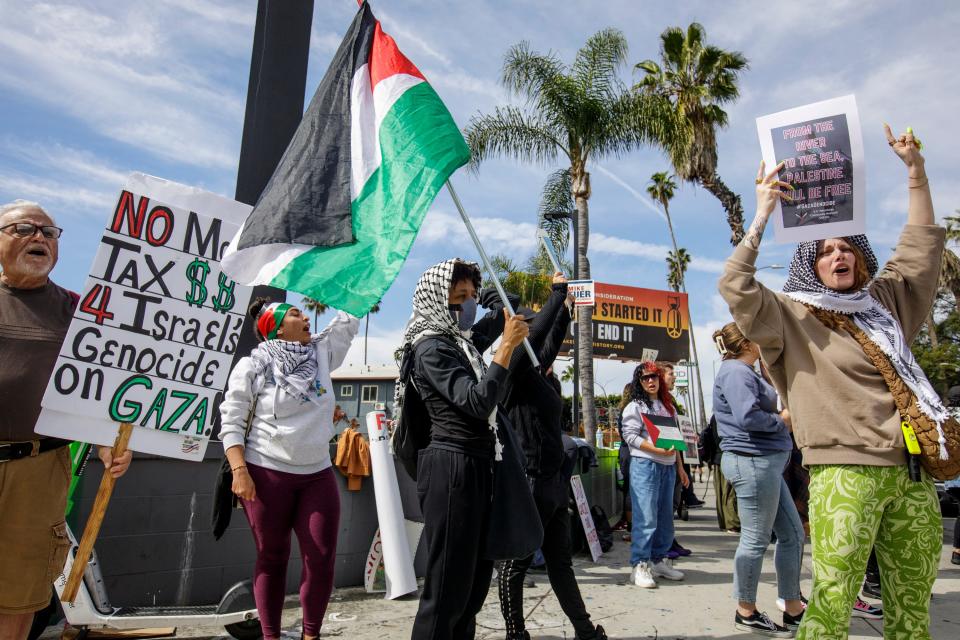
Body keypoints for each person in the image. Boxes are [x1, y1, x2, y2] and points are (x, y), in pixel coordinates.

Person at [719, 125, 945, 639]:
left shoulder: (884, 305)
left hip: (914, 475)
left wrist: (916, 174)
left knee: (912, 611)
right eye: (824, 250)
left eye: (846, 248)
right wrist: (762, 213)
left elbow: (920, 250)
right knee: (832, 607)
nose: (837, 256)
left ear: (860, 256)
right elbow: (735, 284)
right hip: (845, 475)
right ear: (809, 263)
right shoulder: (791, 316)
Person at [0, 200, 132, 640]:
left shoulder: (77, 312)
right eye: (24, 228)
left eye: (49, 232)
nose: (39, 237)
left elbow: (94, 392)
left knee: (19, 597)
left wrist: (105, 443)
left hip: (39, 471)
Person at [219, 297, 360, 640]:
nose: (306, 317)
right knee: (272, 556)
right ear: (277, 327)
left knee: (321, 558)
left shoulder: (321, 354)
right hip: (266, 473)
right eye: (296, 314)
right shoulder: (254, 364)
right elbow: (232, 418)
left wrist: (355, 279)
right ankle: (271, 636)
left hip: (317, 473)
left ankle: (311, 634)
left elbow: (349, 319)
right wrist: (240, 470)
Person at [402, 259, 528, 640]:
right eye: (461, 297)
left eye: (472, 297)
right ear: (439, 301)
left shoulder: (463, 342)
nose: (470, 305)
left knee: (473, 590)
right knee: (446, 594)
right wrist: (505, 348)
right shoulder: (431, 348)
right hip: (451, 468)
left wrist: (481, 289)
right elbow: (476, 402)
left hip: (479, 465)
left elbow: (511, 303)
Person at [496, 273, 607, 640]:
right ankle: (516, 634)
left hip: (552, 483)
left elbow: (550, 338)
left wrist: (567, 309)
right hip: (528, 480)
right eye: (528, 328)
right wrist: (557, 295)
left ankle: (585, 631)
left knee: (561, 562)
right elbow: (540, 333)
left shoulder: (539, 374)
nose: (534, 333)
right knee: (516, 564)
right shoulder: (511, 371)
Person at [712, 321, 805, 636]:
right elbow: (748, 417)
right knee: (755, 539)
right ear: (749, 341)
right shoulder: (736, 372)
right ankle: (746, 610)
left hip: (763, 465)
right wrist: (783, 421)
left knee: (792, 535)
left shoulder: (744, 370)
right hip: (753, 464)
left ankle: (793, 606)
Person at [621, 361, 689, 588]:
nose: (650, 381)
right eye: (645, 378)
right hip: (646, 466)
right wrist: (656, 450)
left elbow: (674, 439)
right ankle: (639, 564)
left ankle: (659, 560)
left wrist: (679, 467)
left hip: (667, 467)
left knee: (664, 518)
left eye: (654, 377)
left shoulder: (667, 406)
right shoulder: (635, 406)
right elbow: (630, 436)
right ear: (639, 382)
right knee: (646, 517)